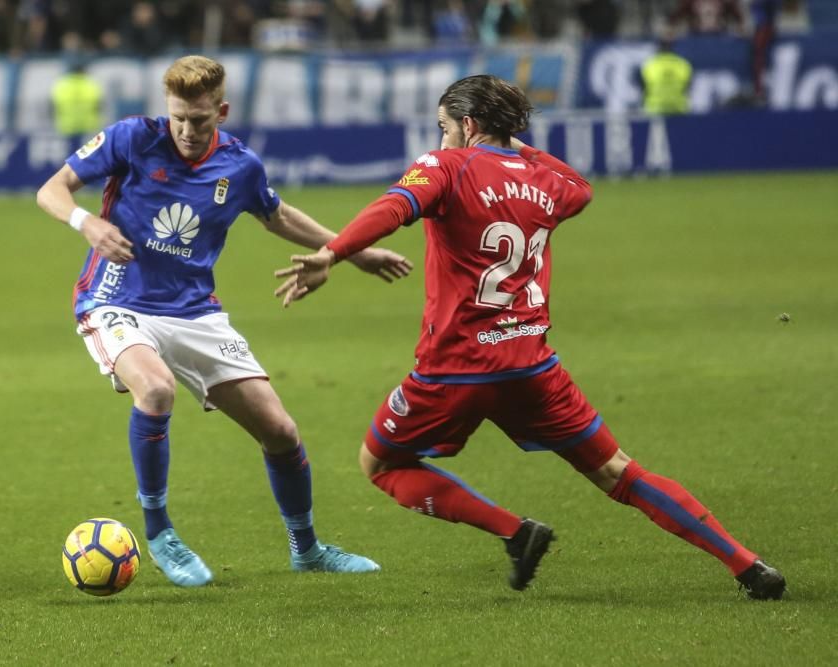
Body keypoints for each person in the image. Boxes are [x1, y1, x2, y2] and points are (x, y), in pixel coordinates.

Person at [274, 74, 786, 600]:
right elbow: (582, 188)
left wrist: (333, 253)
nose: (440, 138)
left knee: (379, 463)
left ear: (468, 125)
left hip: (454, 370)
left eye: (444, 127)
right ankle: (746, 563)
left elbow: (394, 208)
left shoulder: (445, 166)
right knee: (619, 473)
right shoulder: (546, 182)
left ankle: (514, 531)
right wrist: (514, 143)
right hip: (532, 366)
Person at [36, 55, 413, 587]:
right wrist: (87, 223)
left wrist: (352, 251)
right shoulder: (131, 138)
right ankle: (160, 530)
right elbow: (51, 189)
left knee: (280, 431)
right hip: (116, 300)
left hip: (195, 312)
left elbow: (276, 215)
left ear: (223, 111)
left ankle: (306, 549)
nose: (188, 131)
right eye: (179, 118)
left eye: (200, 120)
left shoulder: (240, 166)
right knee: (157, 390)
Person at [640, 36, 692, 115]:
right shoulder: (683, 64)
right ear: (672, 47)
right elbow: (687, 87)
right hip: (678, 108)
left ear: (659, 47)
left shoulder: (650, 64)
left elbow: (643, 87)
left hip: (655, 108)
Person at [50, 61, 104, 136]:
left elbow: (54, 105)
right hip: (88, 124)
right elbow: (98, 105)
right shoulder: (90, 83)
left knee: (71, 147)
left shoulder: (62, 84)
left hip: (67, 124)